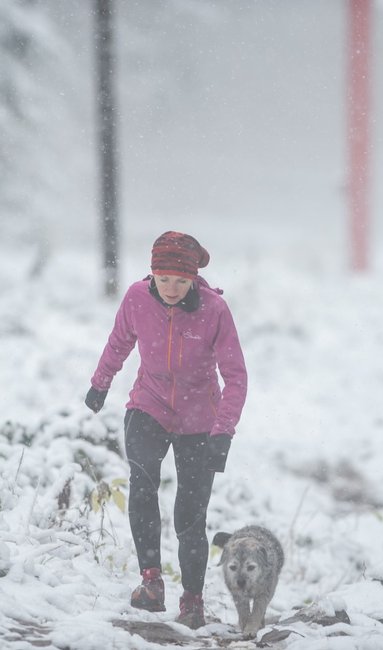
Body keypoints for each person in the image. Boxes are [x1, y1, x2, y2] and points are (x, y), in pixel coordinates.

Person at [84, 231, 248, 629]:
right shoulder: (138, 298)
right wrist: (100, 382)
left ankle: (192, 600)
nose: (171, 288)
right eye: (163, 278)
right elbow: (119, 340)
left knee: (189, 514)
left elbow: (236, 377)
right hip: (148, 408)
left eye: (180, 280)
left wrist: (223, 432)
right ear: (152, 274)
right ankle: (151, 582)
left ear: (193, 278)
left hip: (199, 422)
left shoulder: (215, 310)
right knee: (142, 488)